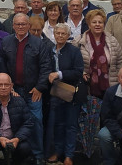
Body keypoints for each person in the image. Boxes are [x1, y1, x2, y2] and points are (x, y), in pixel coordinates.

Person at [1, 13, 53, 163]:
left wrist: (40, 88)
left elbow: (46, 67)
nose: (21, 27)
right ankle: (16, 154)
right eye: (18, 24)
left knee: (36, 121)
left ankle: (38, 155)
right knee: (13, 122)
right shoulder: (6, 42)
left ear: (29, 25)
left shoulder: (39, 44)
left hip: (33, 91)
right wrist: (8, 87)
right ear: (13, 26)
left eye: (24, 24)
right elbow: (2, 65)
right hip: (13, 90)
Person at [74, 9, 122, 158]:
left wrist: (120, 81)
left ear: (104, 24)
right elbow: (73, 63)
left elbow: (120, 62)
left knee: (108, 120)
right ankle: (86, 150)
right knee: (88, 120)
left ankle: (107, 152)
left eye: (100, 22)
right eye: (94, 22)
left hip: (110, 87)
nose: (97, 24)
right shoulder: (79, 41)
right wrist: (80, 73)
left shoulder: (112, 41)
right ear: (88, 24)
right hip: (89, 89)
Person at [45, 23, 83, 165]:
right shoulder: (50, 50)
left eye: (63, 34)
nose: (60, 36)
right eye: (58, 33)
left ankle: (69, 155)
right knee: (58, 124)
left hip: (70, 92)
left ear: (68, 36)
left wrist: (59, 74)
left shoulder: (74, 51)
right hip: (54, 93)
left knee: (71, 125)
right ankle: (58, 151)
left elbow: (78, 72)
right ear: (54, 34)